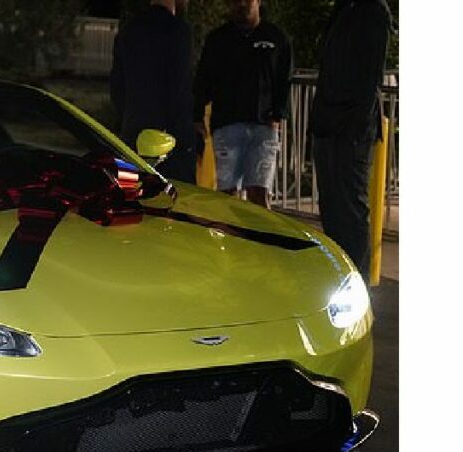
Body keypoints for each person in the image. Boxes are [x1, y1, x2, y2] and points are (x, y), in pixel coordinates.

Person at [310, 0, 392, 276]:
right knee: (333, 208)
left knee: (350, 212)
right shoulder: (345, 8)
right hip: (329, 123)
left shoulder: (372, 10)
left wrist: (354, 127)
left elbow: (371, 76)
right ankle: (340, 276)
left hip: (349, 128)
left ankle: (356, 282)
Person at [193, 0, 292, 208]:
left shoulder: (276, 38)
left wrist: (279, 114)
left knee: (259, 193)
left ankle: (260, 238)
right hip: (227, 125)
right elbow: (203, 80)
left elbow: (284, 79)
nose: (241, 4)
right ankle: (230, 238)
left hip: (264, 126)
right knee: (227, 194)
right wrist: (197, 115)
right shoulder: (218, 40)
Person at [110, 0, 195, 184]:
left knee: (131, 192)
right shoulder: (178, 31)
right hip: (168, 140)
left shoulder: (128, 31)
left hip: (131, 135)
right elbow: (179, 87)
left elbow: (117, 87)